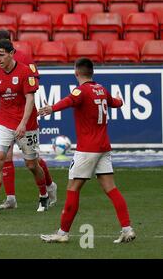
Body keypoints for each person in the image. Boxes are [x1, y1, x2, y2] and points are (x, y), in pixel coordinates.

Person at [39, 58, 136, 243]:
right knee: (111, 188)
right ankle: (127, 229)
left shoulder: (81, 90)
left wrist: (51, 108)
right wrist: (120, 100)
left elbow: (69, 101)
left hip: (87, 149)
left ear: (76, 72)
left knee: (73, 188)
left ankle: (62, 233)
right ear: (92, 72)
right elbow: (116, 103)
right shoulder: (101, 89)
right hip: (103, 147)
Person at [0, 30, 57, 210]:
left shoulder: (25, 64)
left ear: (10, 48)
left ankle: (46, 190)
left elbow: (30, 93)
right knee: (0, 156)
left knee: (32, 163)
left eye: (0, 49)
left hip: (26, 120)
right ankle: (1, 200)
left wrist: (23, 122)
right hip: (4, 119)